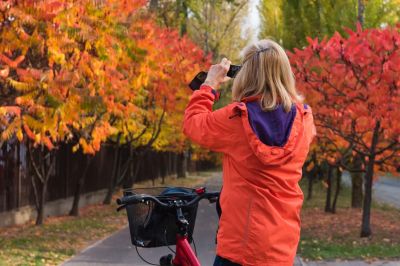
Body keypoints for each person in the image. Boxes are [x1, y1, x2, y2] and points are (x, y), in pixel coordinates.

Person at [183, 39, 316, 266]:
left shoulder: (237, 118)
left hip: (240, 249)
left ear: (247, 75)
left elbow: (194, 124)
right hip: (282, 248)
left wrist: (209, 84)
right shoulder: (305, 120)